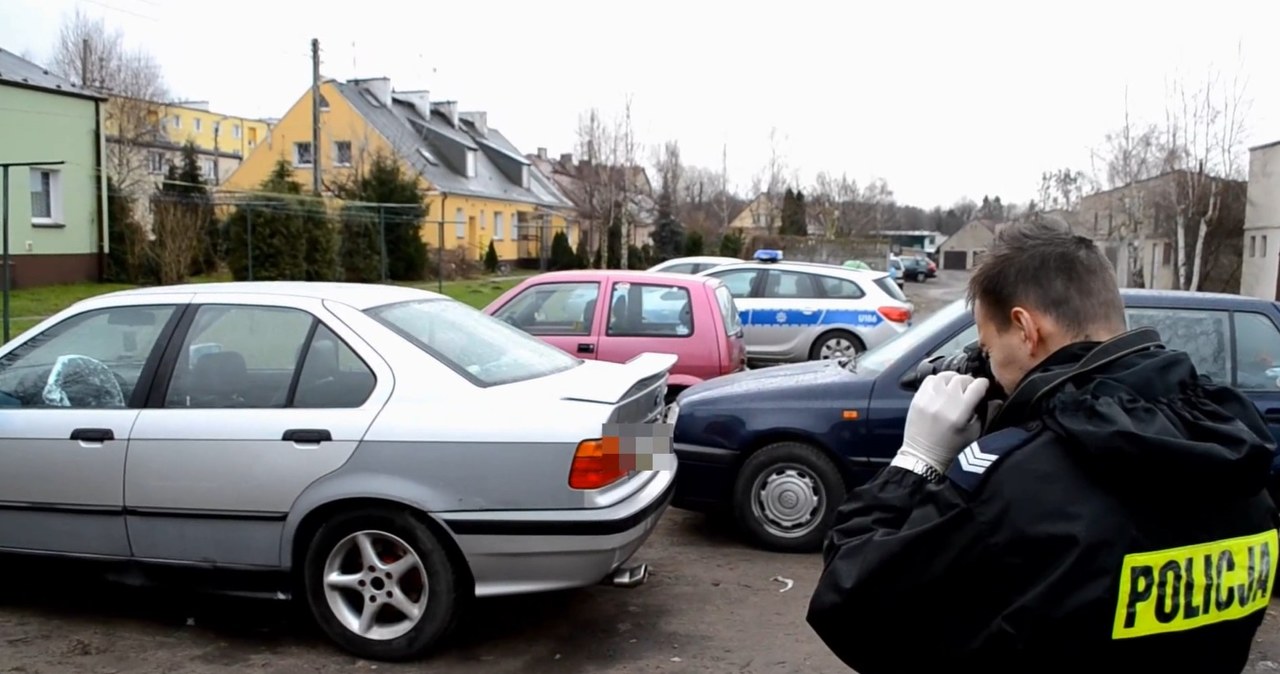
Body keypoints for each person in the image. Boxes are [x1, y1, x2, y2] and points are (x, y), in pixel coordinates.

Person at [806, 220, 1279, 674]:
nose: (991, 368)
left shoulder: (1020, 485)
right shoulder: (1234, 451)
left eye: (990, 350)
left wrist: (917, 462)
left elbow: (850, 604)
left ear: (1026, 329)